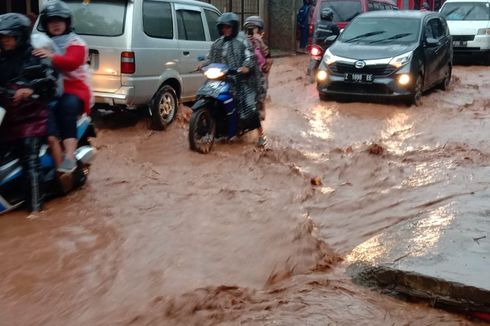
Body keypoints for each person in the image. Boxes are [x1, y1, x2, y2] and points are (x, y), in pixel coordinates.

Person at [0, 13, 56, 213]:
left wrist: (30, 90)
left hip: (29, 119)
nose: (4, 40)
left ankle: (35, 209)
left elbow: (51, 83)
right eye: (2, 37)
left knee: (29, 160)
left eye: (8, 36)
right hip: (6, 116)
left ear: (20, 36)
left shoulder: (36, 56)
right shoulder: (2, 59)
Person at [33, 0, 93, 173]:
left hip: (74, 90)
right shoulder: (39, 41)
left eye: (60, 20)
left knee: (66, 106)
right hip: (46, 89)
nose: (56, 24)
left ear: (67, 22)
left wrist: (50, 56)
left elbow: (71, 62)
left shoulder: (76, 43)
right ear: (46, 24)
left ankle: (68, 157)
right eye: (52, 21)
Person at [200, 12, 267, 147]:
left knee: (249, 108)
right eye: (223, 28)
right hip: (221, 78)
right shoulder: (217, 43)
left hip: (242, 80)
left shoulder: (242, 41)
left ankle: (261, 135)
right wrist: (203, 63)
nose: (225, 30)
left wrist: (245, 67)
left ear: (234, 27)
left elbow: (250, 57)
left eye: (228, 27)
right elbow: (210, 57)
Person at [243, 15, 273, 122]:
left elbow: (269, 60)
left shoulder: (262, 45)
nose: (250, 32)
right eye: (248, 29)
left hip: (259, 79)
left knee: (260, 105)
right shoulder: (242, 43)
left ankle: (259, 129)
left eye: (253, 29)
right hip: (245, 77)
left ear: (259, 30)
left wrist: (259, 42)